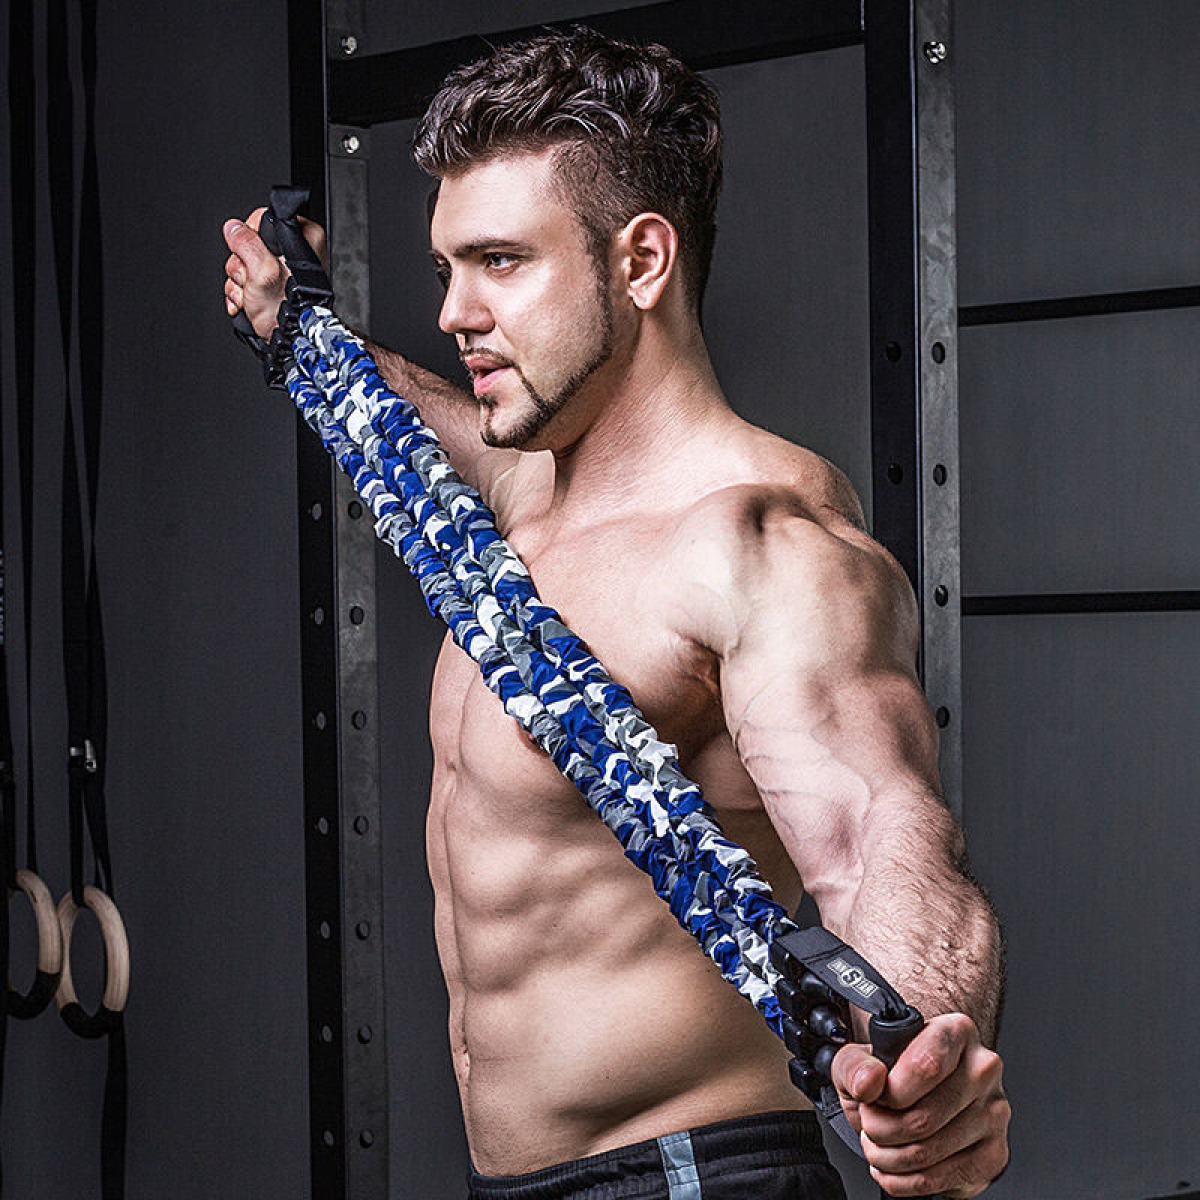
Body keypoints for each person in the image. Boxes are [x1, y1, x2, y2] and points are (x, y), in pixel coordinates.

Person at [223, 28, 1009, 1200]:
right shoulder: (531, 484)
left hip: (689, 1175)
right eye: (446, 271)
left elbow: (878, 835)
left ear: (641, 259)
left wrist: (925, 1058)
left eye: (499, 262)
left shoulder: (758, 548)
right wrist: (298, 323)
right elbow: (420, 423)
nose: (456, 311)